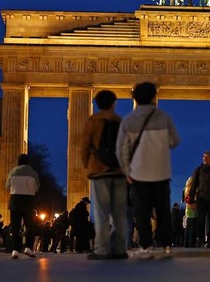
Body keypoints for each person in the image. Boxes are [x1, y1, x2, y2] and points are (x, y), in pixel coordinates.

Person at [117, 82, 180, 259]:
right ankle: (167, 246)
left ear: (134, 98)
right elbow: (174, 141)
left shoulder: (129, 120)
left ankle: (146, 247)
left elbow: (121, 149)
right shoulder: (164, 117)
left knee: (142, 213)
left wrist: (126, 171)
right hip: (161, 172)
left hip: (138, 174)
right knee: (163, 211)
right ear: (154, 97)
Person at [80, 89, 128, 260]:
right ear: (114, 103)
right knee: (119, 213)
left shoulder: (92, 121)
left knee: (101, 212)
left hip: (99, 172)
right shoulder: (121, 122)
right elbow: (127, 148)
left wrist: (88, 165)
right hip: (119, 172)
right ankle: (120, 248)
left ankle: (102, 249)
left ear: (97, 104)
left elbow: (84, 146)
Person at [6, 153, 40, 259]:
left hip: (15, 200)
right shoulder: (33, 173)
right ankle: (28, 248)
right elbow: (37, 187)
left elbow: (7, 186)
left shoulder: (13, 171)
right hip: (28, 201)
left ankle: (15, 250)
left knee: (15, 227)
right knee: (30, 226)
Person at [182, 177, 198, 248]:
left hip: (188, 209)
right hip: (193, 209)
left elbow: (184, 199)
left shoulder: (185, 189)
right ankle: (192, 243)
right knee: (192, 228)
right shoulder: (193, 189)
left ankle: (186, 244)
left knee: (188, 228)